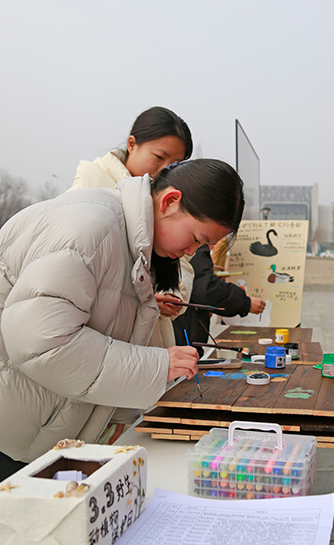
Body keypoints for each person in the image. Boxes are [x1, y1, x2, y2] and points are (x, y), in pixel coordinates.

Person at [0, 159, 244, 544]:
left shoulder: (131, 236)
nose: (192, 250)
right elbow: (42, 341)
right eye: (198, 238)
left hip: (7, 398)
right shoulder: (91, 228)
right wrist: (155, 365)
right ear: (170, 201)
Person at [67, 107, 195, 440]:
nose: (165, 170)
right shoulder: (93, 189)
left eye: (174, 164)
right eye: (159, 157)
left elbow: (180, 266)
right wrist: (144, 296)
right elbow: (83, 272)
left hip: (134, 344)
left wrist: (173, 295)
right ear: (132, 144)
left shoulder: (159, 201)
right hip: (98, 345)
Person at [172, 244, 266, 352]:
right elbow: (204, 290)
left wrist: (206, 271)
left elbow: (195, 279)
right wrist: (245, 302)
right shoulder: (193, 242)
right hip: (183, 334)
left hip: (183, 332)